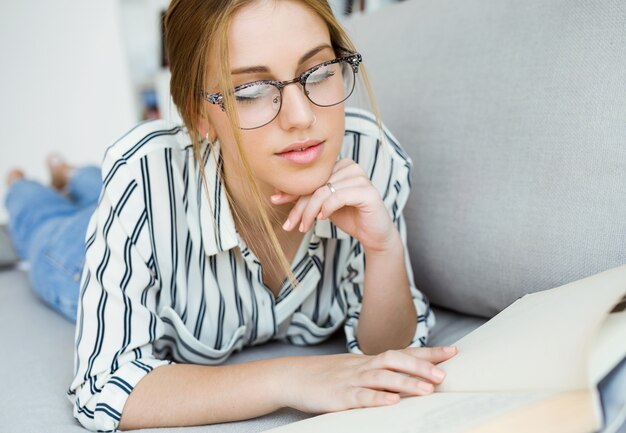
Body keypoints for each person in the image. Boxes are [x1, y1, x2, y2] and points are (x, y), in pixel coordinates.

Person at [6, 0, 458, 431]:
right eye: (250, 91)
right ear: (198, 114)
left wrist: (383, 249)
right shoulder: (144, 177)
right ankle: (25, 183)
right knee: (44, 227)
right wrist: (293, 379)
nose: (302, 118)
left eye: (317, 72)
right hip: (86, 250)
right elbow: (103, 387)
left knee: (89, 186)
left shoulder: (369, 156)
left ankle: (76, 174)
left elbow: (391, 352)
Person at [5, 157, 101, 322]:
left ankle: (20, 182)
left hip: (76, 238)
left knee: (42, 218)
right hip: (109, 222)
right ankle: (64, 171)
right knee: (116, 190)